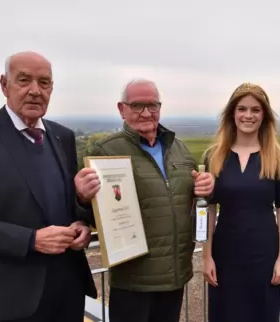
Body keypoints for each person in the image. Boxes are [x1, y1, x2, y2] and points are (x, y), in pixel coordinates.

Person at [0, 51, 97, 322]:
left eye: (44, 82)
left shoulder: (63, 136)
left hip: (67, 293)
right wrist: (32, 240)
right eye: (24, 80)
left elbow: (65, 207)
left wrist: (82, 221)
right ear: (4, 85)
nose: (35, 91)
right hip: (8, 301)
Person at [74, 78, 215, 322]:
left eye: (153, 105)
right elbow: (90, 212)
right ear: (122, 109)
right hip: (133, 282)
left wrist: (207, 187)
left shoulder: (179, 149)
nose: (146, 113)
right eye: (137, 105)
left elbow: (193, 198)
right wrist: (82, 198)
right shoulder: (105, 152)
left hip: (174, 276)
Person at [202, 82, 280, 322]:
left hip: (264, 256)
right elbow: (208, 210)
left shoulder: (278, 158)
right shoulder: (214, 157)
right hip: (225, 256)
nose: (248, 115)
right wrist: (207, 256)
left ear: (264, 115)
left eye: (255, 109)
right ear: (232, 113)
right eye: (242, 109)